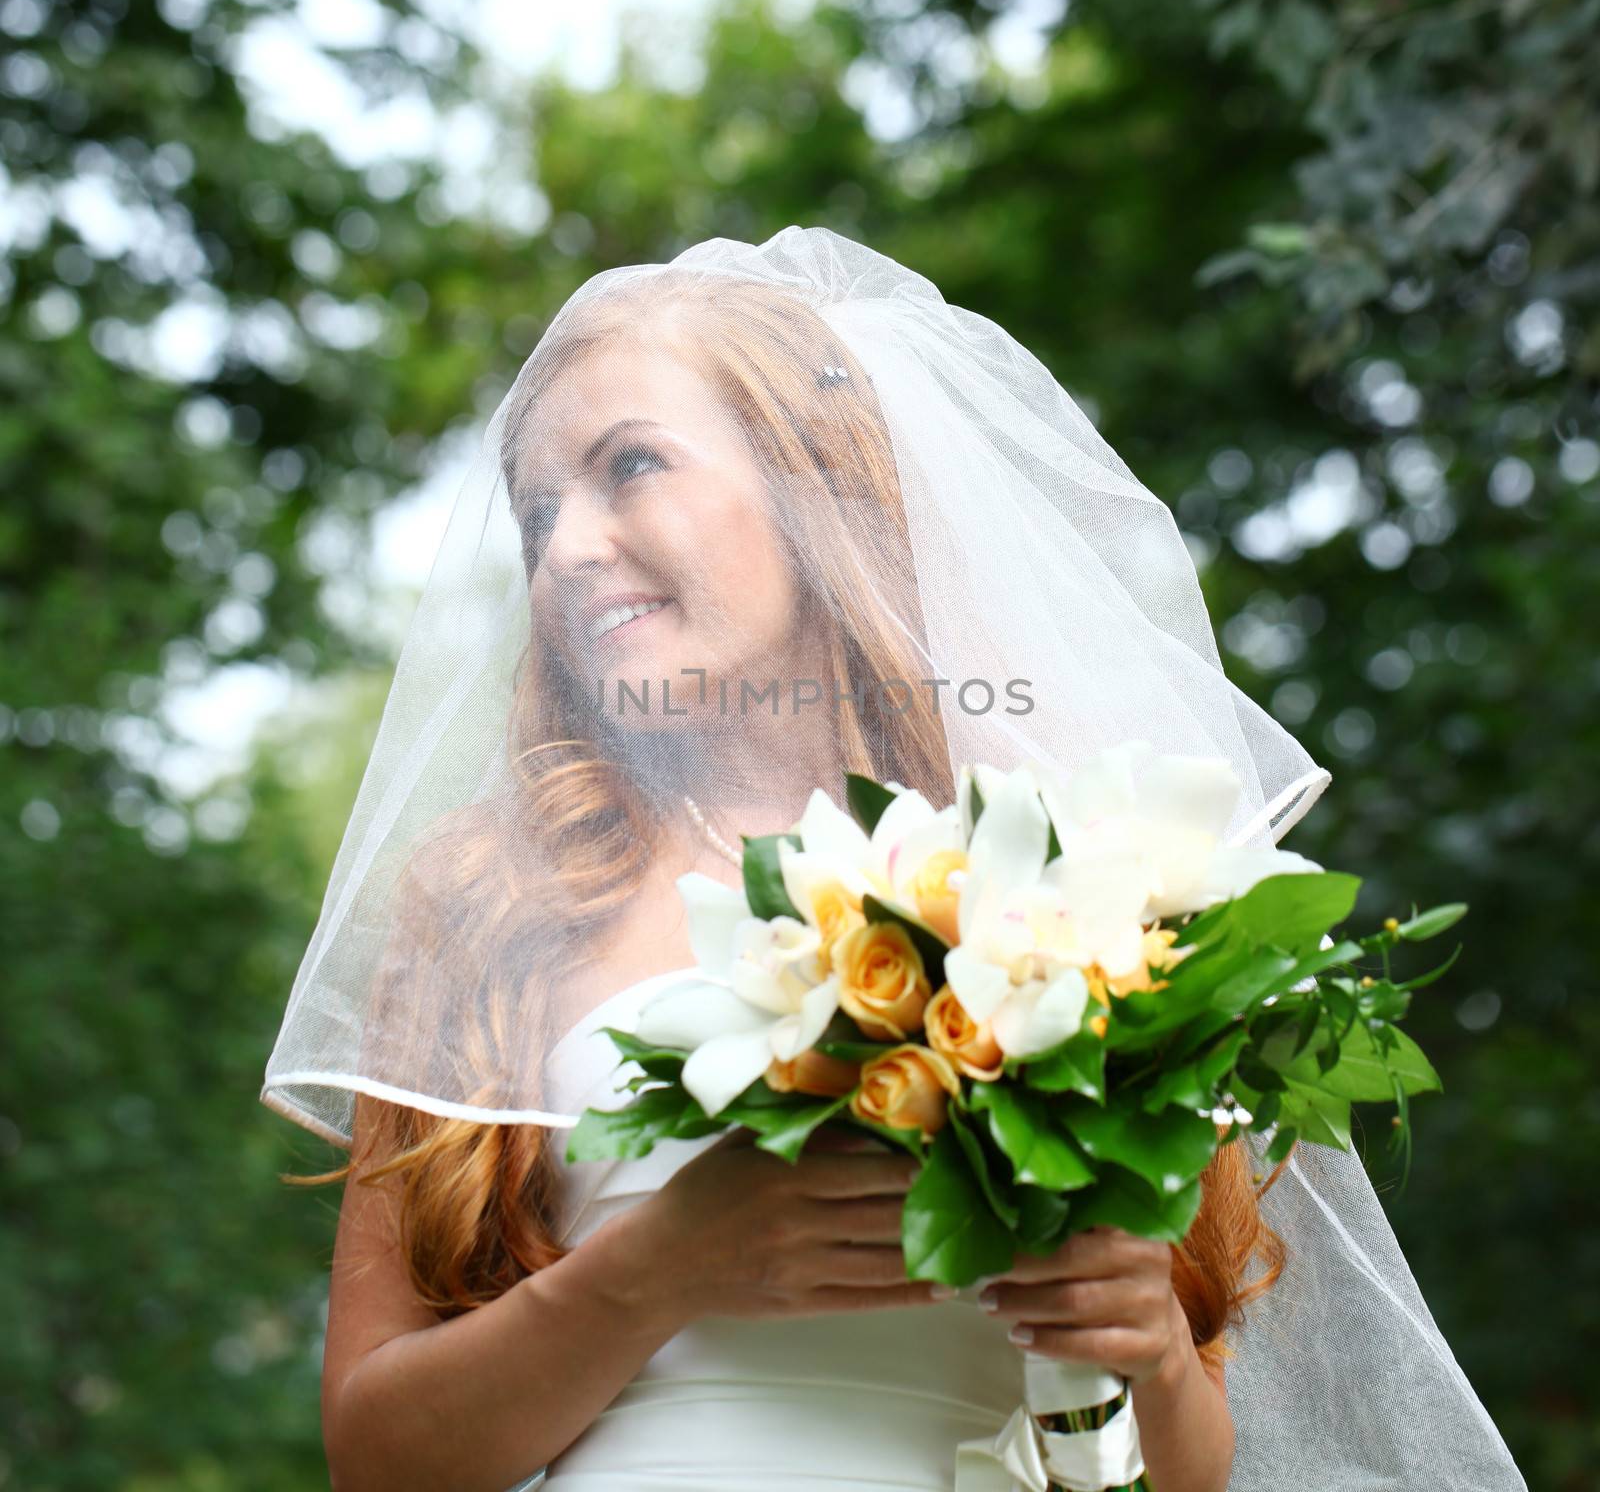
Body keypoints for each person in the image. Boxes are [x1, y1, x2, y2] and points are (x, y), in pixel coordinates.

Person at [262, 226, 1527, 1492]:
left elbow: (1179, 1467)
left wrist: (1139, 1342)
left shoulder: (1078, 884)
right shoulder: (493, 895)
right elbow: (377, 1458)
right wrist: (659, 1268)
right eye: (537, 515)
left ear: (811, 480)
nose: (567, 549)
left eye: (628, 466)